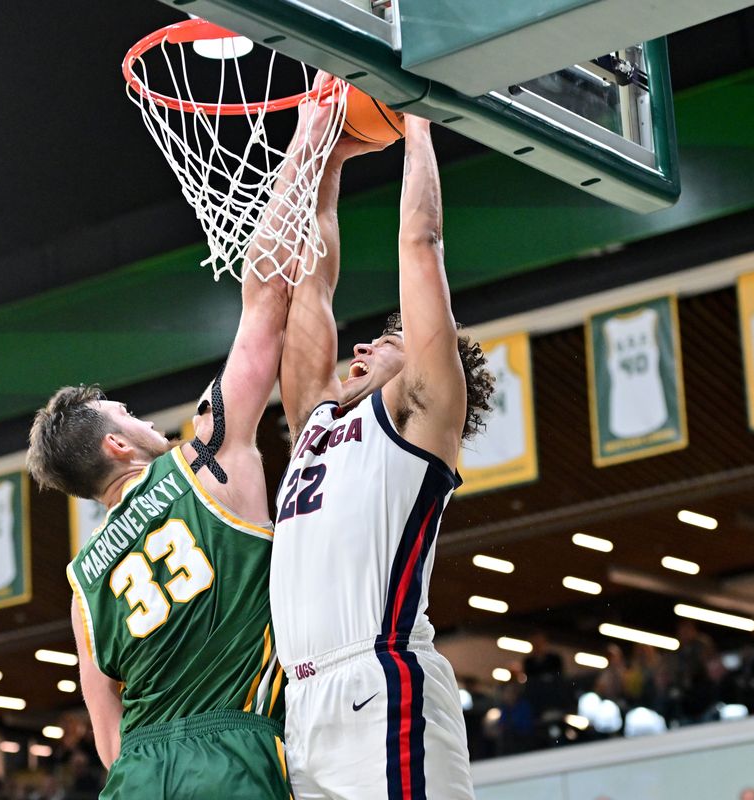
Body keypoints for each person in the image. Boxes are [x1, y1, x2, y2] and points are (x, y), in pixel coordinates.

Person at [26, 96, 342, 800]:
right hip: (228, 746)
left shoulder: (81, 585)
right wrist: (311, 138)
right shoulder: (205, 458)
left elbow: (106, 738)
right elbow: (267, 303)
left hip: (138, 772)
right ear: (117, 444)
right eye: (129, 413)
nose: (143, 419)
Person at [271, 113, 494, 799]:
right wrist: (328, 163)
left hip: (382, 683)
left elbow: (420, 243)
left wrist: (418, 120)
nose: (363, 346)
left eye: (390, 341)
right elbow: (310, 286)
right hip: (304, 707)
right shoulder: (317, 418)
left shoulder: (423, 419)